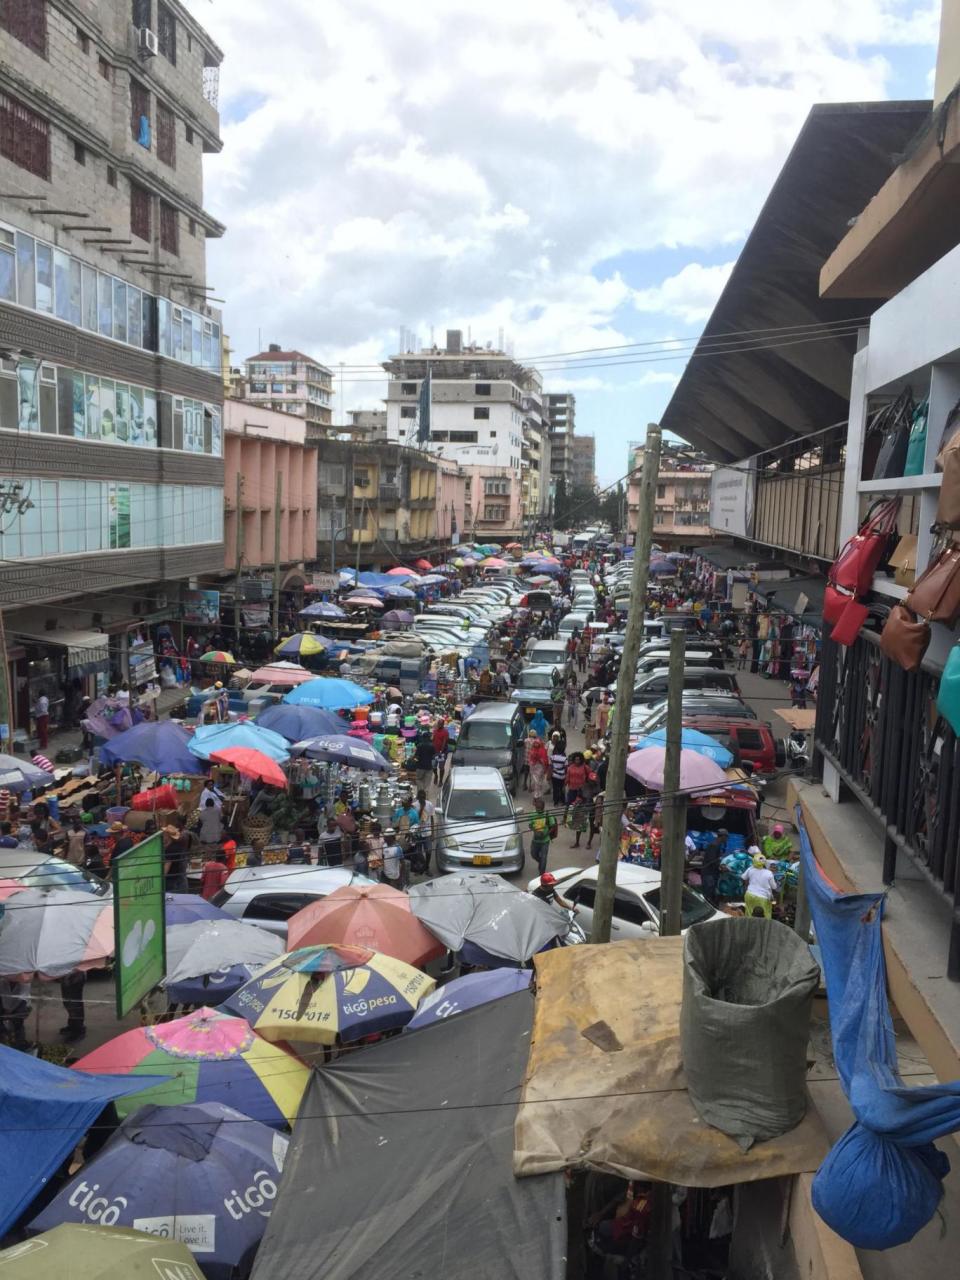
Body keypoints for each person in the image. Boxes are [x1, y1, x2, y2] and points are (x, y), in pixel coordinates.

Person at [741, 851, 778, 919]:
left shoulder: (750, 869)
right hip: (763, 897)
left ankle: (749, 927)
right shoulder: (769, 873)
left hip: (749, 895)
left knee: (749, 913)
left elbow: (743, 877)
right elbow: (774, 887)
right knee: (765, 915)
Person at [528, 797, 558, 876]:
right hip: (535, 840)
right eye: (537, 808)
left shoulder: (548, 815)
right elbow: (530, 825)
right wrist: (535, 830)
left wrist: (546, 833)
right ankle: (541, 863)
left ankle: (542, 874)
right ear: (535, 807)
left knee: (544, 857)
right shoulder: (532, 814)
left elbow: (553, 826)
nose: (539, 810)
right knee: (533, 854)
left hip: (545, 840)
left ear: (543, 807)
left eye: (540, 808)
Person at [699, 828, 726, 905]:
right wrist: (721, 867)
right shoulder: (714, 845)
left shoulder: (717, 845)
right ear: (723, 836)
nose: (727, 839)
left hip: (712, 873)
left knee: (711, 893)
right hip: (709, 874)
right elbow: (712, 861)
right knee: (708, 894)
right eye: (726, 837)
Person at [414, 788, 435, 876]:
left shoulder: (430, 804)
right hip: (418, 832)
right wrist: (422, 808)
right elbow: (416, 819)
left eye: (424, 797)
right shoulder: (414, 805)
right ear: (418, 797)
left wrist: (433, 832)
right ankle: (420, 868)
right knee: (418, 852)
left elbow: (432, 818)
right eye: (421, 797)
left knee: (428, 851)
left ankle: (427, 868)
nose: (422, 799)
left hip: (427, 832)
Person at [432, 717, 450, 785]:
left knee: (441, 767)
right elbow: (433, 739)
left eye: (440, 724)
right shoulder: (435, 731)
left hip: (442, 753)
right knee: (433, 766)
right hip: (434, 752)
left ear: (442, 725)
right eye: (438, 724)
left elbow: (444, 742)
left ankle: (440, 780)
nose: (439, 725)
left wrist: (441, 752)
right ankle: (436, 776)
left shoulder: (445, 732)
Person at [549, 739, 567, 806]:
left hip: (554, 776)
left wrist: (549, 774)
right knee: (562, 788)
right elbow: (566, 768)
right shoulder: (564, 758)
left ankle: (555, 802)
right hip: (562, 776)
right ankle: (563, 801)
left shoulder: (552, 757)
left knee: (555, 789)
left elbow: (550, 766)